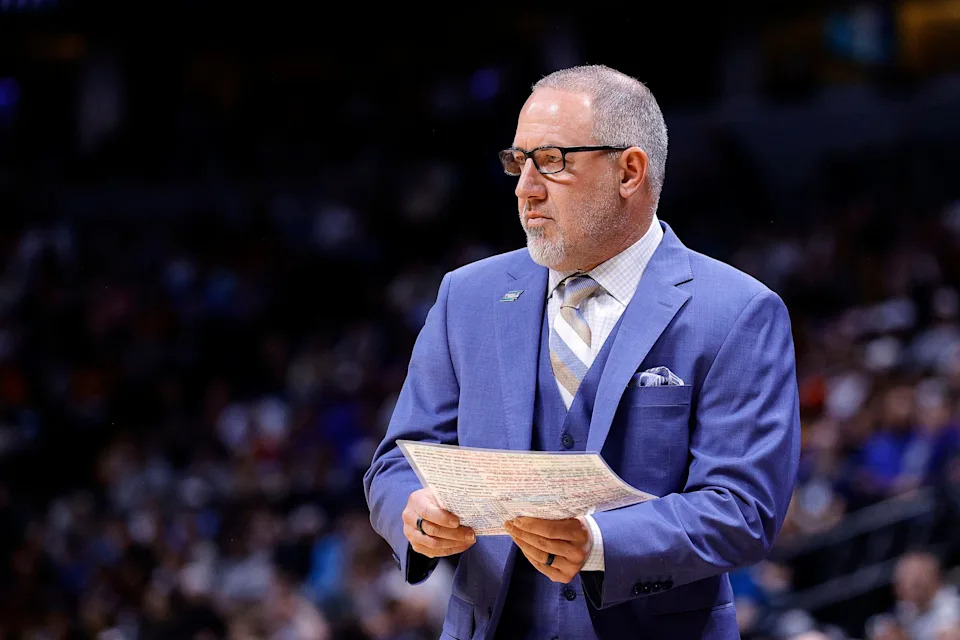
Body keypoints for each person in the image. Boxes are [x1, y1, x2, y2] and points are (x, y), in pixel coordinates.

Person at [363, 64, 801, 640]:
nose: (526, 188)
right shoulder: (465, 295)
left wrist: (599, 543)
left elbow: (743, 509)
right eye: (518, 162)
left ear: (629, 170)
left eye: (552, 161)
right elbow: (397, 459)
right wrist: (414, 513)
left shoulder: (738, 311)